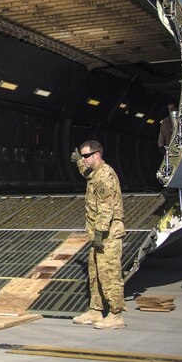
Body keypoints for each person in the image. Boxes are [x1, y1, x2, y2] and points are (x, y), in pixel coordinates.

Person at [72, 139, 126, 329]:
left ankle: (115, 314)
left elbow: (106, 208)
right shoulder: (95, 173)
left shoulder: (105, 176)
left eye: (86, 156)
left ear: (97, 155)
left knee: (109, 274)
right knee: (94, 272)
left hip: (107, 235)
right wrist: (79, 161)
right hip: (98, 234)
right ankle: (95, 311)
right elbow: (87, 173)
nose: (84, 159)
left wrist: (99, 233)